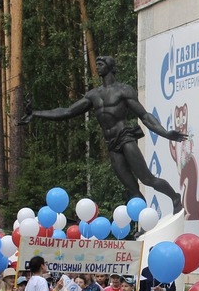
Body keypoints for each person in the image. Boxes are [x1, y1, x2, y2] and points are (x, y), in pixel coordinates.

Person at [20, 55, 187, 212]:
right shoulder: (94, 95)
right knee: (131, 189)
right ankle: (143, 223)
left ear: (110, 67)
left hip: (125, 138)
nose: (97, 67)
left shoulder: (123, 90)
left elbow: (144, 116)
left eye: (101, 64)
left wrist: (165, 133)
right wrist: (36, 113)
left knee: (147, 179)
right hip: (111, 144)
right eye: (97, 64)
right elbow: (67, 112)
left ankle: (174, 197)